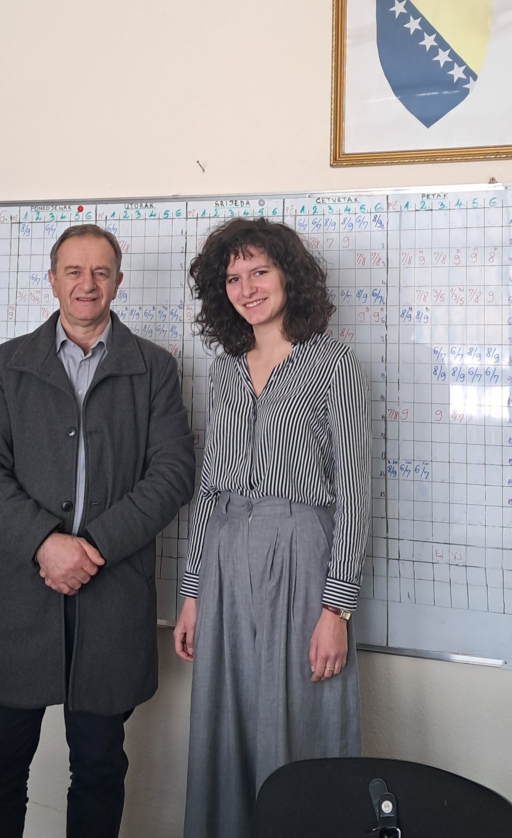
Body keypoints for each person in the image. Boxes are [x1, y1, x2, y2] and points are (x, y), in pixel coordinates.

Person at [0, 224, 196, 838]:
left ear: (117, 281)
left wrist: (91, 549)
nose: (86, 284)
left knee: (98, 772)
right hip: (17, 597)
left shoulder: (155, 369)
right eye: (73, 271)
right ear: (52, 279)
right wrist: (45, 543)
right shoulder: (8, 363)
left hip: (111, 598)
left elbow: (172, 475)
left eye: (100, 272)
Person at [174, 217, 371, 838]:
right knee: (227, 715)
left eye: (259, 272)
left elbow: (355, 494)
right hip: (226, 554)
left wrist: (335, 611)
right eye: (233, 278)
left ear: (289, 276)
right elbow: (210, 485)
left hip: (302, 552)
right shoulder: (225, 368)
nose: (247, 288)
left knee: (302, 714)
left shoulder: (333, 364)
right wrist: (191, 593)